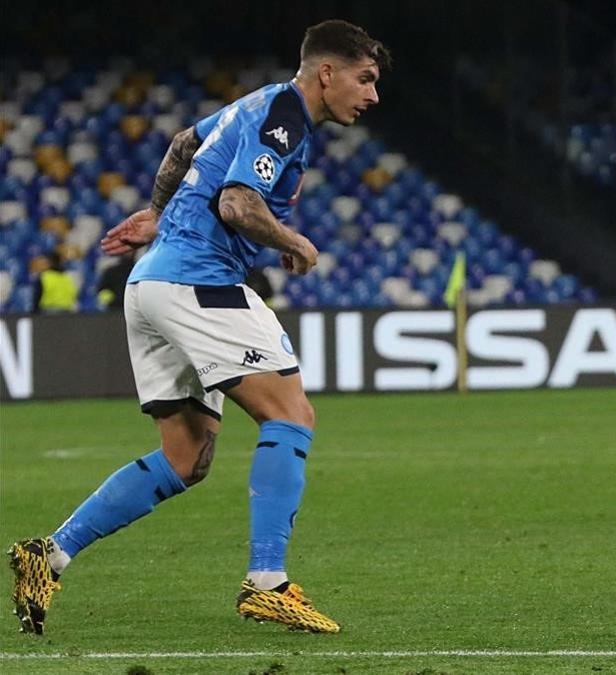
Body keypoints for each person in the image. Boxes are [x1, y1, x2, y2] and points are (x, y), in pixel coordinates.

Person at [8, 19, 391, 635]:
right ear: (327, 72)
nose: (372, 95)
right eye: (364, 79)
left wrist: (158, 213)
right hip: (199, 282)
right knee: (291, 415)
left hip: (150, 284)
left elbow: (185, 142)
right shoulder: (285, 114)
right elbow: (237, 202)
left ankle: (47, 556)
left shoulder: (254, 103)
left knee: (186, 457)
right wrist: (294, 241)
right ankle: (267, 582)